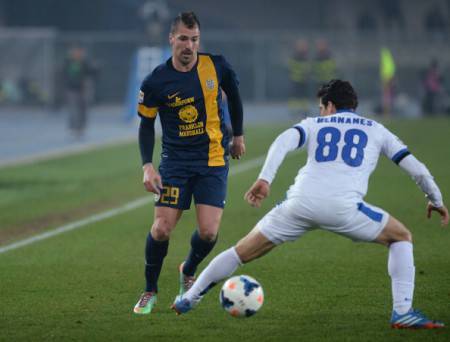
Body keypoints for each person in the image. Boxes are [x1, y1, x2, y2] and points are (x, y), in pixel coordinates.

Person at [172, 79, 449, 329]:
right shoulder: (377, 129)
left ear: (330, 105)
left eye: (321, 106)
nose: (320, 111)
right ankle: (402, 311)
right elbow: (418, 170)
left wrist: (265, 179)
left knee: (239, 251)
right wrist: (435, 199)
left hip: (299, 204)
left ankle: (189, 298)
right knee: (401, 237)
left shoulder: (313, 124)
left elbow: (283, 141)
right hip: (344, 208)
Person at [133, 11, 245, 314]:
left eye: (194, 39)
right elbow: (145, 125)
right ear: (171, 39)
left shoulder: (216, 65)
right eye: (183, 38)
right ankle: (150, 290)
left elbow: (234, 97)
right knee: (160, 229)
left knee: (209, 233)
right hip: (174, 165)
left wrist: (239, 136)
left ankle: (188, 268)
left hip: (212, 160)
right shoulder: (156, 81)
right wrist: (147, 165)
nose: (189, 45)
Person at [62, 45, 97, 139]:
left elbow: (91, 72)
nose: (77, 54)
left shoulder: (85, 62)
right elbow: (64, 73)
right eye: (75, 52)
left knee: (83, 109)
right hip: (71, 89)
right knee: (73, 110)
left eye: (79, 52)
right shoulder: (68, 62)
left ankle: (81, 128)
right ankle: (73, 127)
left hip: (82, 89)